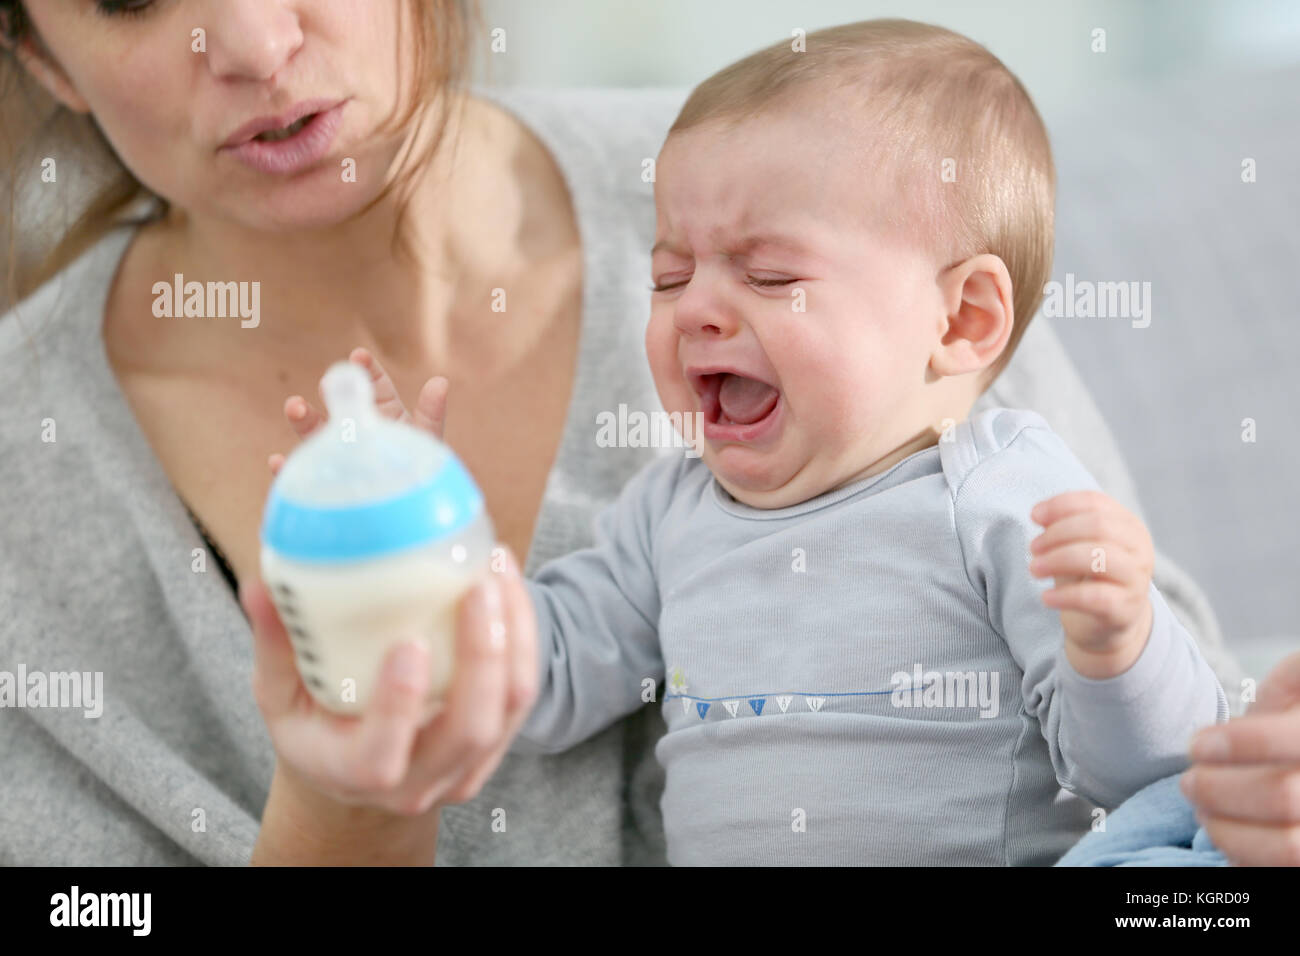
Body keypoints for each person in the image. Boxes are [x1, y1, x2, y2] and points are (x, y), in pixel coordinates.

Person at [0, 0, 1248, 865]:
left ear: (962, 318)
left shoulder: (847, 197)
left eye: (764, 274)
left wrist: (1119, 644)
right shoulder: (674, 508)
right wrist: (417, 590)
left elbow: (1183, 771)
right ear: (41, 56)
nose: (264, 44)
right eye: (669, 275)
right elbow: (541, 664)